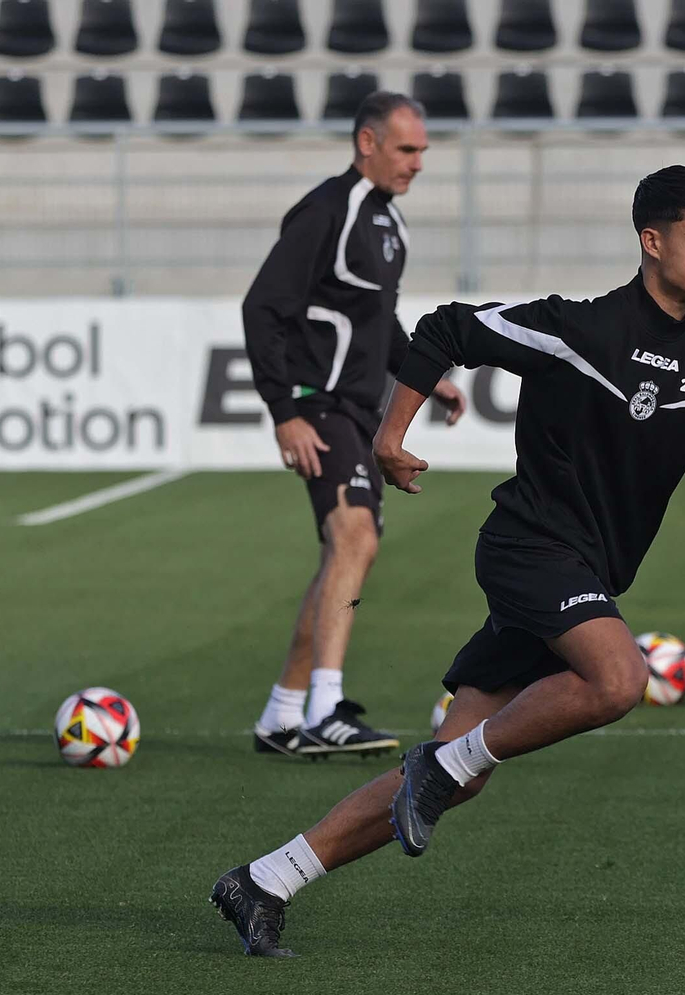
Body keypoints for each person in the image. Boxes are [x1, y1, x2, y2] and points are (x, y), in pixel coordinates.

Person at [212, 165, 685, 956]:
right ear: (651, 241)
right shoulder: (578, 329)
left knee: (456, 772)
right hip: (529, 549)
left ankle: (265, 880)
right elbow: (446, 328)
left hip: (587, 575)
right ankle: (441, 765)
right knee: (620, 678)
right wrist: (389, 438)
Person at [240, 91, 467, 760]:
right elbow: (263, 309)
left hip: (354, 408)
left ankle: (283, 715)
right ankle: (326, 710)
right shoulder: (326, 213)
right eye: (406, 149)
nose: (418, 162)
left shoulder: (387, 223)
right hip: (319, 404)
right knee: (356, 537)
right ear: (366, 143)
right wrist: (285, 411)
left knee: (345, 552)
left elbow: (379, 325)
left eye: (423, 150)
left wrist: (430, 379)